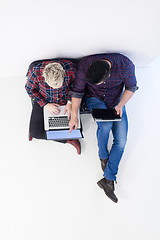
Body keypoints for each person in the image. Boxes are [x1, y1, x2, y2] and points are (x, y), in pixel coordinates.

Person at [69, 53, 138, 202]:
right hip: (95, 98)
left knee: (121, 140)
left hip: (117, 100)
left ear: (108, 75)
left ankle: (108, 180)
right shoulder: (84, 65)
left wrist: (120, 105)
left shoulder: (125, 65)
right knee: (105, 125)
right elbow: (78, 91)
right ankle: (103, 155)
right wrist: (74, 114)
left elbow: (131, 87)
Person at [25, 59, 81, 154]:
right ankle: (67, 140)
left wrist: (69, 102)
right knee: (35, 133)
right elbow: (29, 89)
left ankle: (68, 137)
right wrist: (45, 104)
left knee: (76, 129)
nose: (56, 88)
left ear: (63, 73)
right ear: (44, 77)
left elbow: (76, 87)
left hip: (65, 100)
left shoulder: (71, 69)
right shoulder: (35, 72)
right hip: (45, 100)